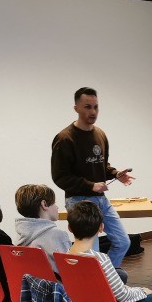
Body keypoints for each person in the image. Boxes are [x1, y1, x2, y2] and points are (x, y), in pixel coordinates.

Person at [51, 87, 134, 270]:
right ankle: (96, 284)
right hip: (78, 201)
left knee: (123, 242)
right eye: (87, 107)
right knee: (90, 253)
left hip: (101, 200)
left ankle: (106, 280)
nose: (93, 112)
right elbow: (59, 176)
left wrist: (115, 174)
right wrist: (90, 186)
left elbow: (101, 165)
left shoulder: (100, 134)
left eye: (96, 107)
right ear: (76, 108)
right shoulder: (65, 138)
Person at [14, 183, 72, 270]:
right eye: (54, 203)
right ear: (44, 204)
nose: (57, 207)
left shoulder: (20, 235)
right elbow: (70, 270)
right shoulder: (58, 235)